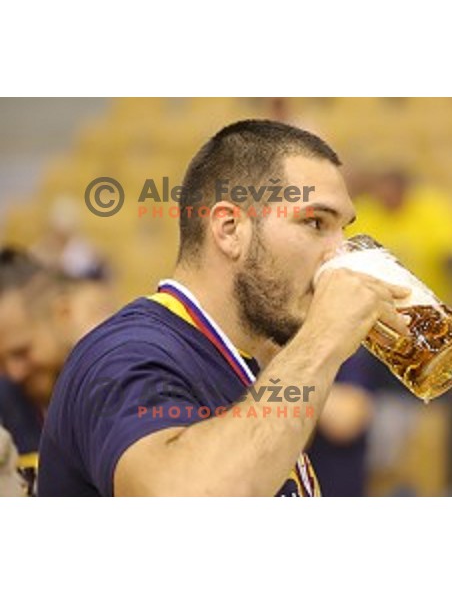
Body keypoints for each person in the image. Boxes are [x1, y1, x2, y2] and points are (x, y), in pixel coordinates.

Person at [38, 119, 412, 497]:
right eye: (315, 222)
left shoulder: (248, 360)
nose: (341, 255)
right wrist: (324, 336)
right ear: (230, 229)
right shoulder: (125, 352)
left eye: (343, 230)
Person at [0, 247, 115, 493]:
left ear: (61, 316)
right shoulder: (6, 401)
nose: (14, 372)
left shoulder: (118, 387)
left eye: (22, 352)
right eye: (0, 362)